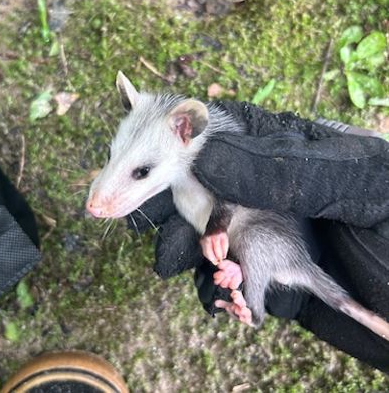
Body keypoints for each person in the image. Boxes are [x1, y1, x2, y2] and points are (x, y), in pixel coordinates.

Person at [126, 101, 389, 372]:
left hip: (270, 240)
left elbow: (227, 202)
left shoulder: (200, 156)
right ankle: (249, 295)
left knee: (254, 243)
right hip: (279, 237)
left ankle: (253, 310)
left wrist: (217, 234)